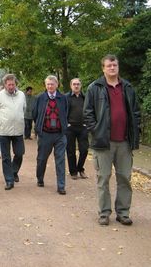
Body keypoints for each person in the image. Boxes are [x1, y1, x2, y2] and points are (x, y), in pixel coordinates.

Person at [84, 54, 140, 226]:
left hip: (124, 141)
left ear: (118, 67)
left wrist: (135, 130)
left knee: (124, 178)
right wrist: (96, 130)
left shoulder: (128, 87)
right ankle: (104, 213)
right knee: (104, 178)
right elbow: (88, 114)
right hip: (103, 143)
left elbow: (136, 112)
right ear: (103, 68)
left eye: (115, 65)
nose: (112, 68)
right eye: (109, 66)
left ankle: (123, 212)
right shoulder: (95, 88)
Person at [32, 75, 68, 195]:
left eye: (52, 84)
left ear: (57, 85)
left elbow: (66, 113)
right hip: (45, 134)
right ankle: (40, 178)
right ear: (45, 85)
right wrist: (39, 129)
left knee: (60, 160)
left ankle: (61, 186)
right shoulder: (40, 98)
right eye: (48, 84)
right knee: (42, 159)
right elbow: (34, 114)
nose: (50, 86)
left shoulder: (63, 98)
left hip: (59, 135)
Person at [0, 74, 26, 190]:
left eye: (13, 84)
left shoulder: (22, 95)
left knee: (19, 153)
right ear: (5, 85)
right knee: (6, 157)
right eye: (9, 85)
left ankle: (14, 171)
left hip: (18, 130)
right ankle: (9, 180)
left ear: (15, 84)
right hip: (4, 131)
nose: (11, 86)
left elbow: (24, 108)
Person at [65, 78, 89, 180]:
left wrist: (88, 123)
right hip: (70, 128)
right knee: (70, 150)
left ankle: (80, 168)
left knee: (84, 149)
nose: (76, 86)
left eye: (78, 84)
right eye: (74, 84)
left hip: (83, 127)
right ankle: (73, 171)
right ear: (71, 85)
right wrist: (66, 123)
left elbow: (90, 110)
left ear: (81, 85)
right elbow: (62, 110)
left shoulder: (85, 97)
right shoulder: (66, 97)